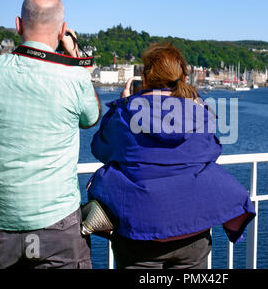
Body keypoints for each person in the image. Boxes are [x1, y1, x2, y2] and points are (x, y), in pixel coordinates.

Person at [87, 42, 256, 269]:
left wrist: (124, 103)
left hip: (140, 231)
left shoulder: (125, 112)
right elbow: (212, 151)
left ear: (145, 77)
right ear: (182, 77)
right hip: (193, 228)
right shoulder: (200, 113)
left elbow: (100, 148)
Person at [0, 0, 101, 268]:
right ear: (63, 29)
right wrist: (75, 56)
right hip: (57, 223)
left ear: (18, 25)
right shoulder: (73, 76)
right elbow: (91, 118)